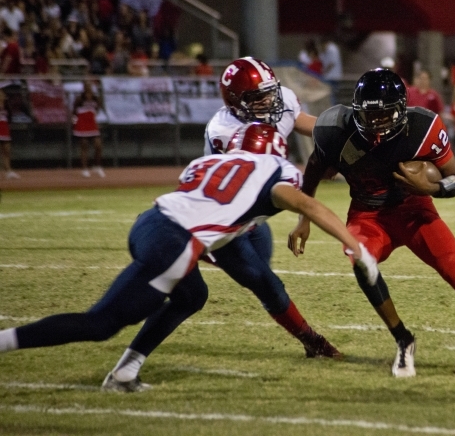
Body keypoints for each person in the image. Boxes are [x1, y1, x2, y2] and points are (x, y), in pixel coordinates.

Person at [0, 123, 379, 392]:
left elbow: (217, 220)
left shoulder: (205, 163)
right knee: (101, 324)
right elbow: (308, 205)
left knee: (192, 295)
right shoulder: (275, 172)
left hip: (150, 223)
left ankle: (125, 374)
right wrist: (356, 248)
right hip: (175, 240)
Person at [289, 68, 455, 378]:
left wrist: (430, 189)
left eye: (384, 114)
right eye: (371, 114)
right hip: (368, 214)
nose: (377, 122)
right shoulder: (335, 129)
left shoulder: (423, 126)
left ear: (401, 109)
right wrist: (304, 218)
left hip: (414, 209)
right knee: (361, 260)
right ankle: (403, 340)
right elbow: (312, 172)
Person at [102, 57, 337, 390]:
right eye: (257, 98)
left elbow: (304, 122)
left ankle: (126, 366)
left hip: (249, 218)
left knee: (246, 279)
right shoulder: (223, 129)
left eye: (269, 94)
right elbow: (240, 188)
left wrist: (342, 131)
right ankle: (313, 342)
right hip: (221, 216)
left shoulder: (280, 99)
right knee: (261, 282)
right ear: (235, 101)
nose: (268, 102)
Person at [73, 81, 104, 178]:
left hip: (92, 123)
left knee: (98, 145)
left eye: (90, 86)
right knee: (84, 145)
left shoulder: (96, 99)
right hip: (82, 123)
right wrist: (75, 122)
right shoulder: (79, 99)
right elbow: (74, 111)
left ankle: (97, 165)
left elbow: (98, 109)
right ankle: (84, 169)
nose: (88, 88)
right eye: (87, 86)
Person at [0, 89, 19, 179]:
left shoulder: (6, 106)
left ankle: (8, 171)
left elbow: (9, 117)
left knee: (7, 151)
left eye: (2, 94)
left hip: (4, 129)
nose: (2, 95)